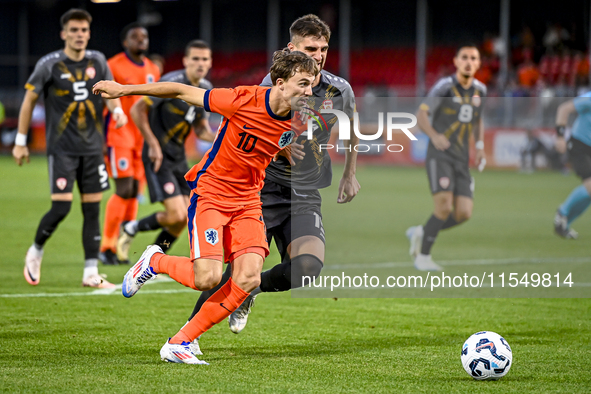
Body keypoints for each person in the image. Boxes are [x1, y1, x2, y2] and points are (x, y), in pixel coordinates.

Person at [93, 49, 318, 364]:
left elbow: (271, 142)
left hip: (250, 201)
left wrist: (286, 152)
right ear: (280, 83)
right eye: (303, 83)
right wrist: (123, 90)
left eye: (312, 84)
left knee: (249, 277)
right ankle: (154, 261)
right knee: (207, 278)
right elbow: (180, 91)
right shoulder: (241, 99)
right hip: (212, 193)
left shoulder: (300, 118)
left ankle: (180, 342)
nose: (309, 91)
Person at [188, 14, 360, 346]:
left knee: (307, 267)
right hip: (263, 189)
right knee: (233, 270)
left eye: (324, 48)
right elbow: (251, 129)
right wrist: (281, 150)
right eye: (311, 48)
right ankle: (186, 336)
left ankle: (253, 291)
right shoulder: (272, 85)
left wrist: (349, 175)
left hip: (306, 191)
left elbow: (350, 127)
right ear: (291, 48)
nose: (319, 54)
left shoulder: (340, 89)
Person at [13, 8, 127, 288]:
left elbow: (111, 93)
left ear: (89, 33)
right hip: (62, 149)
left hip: (92, 149)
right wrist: (20, 141)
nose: (79, 35)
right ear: (63, 34)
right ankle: (36, 250)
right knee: (61, 207)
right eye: (74, 30)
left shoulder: (98, 60)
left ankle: (91, 273)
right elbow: (29, 100)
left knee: (92, 209)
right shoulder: (49, 64)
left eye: (84, 30)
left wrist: (117, 111)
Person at [117, 40, 215, 256]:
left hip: (179, 159)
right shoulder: (172, 82)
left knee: (187, 214)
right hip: (157, 156)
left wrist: (224, 138)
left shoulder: (206, 89)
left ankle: (154, 258)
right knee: (176, 215)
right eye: (195, 59)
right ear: (185, 61)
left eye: (204, 59)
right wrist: (152, 144)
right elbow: (137, 109)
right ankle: (131, 227)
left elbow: (201, 130)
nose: (200, 63)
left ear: (210, 63)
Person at [406, 44, 487, 271]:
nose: (469, 61)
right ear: (456, 61)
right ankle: (422, 258)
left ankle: (422, 232)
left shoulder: (481, 89)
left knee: (463, 213)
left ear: (479, 63)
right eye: (464, 57)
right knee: (443, 207)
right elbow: (421, 115)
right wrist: (434, 135)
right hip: (439, 156)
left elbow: (478, 119)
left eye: (474, 58)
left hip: (462, 159)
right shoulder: (444, 87)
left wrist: (479, 146)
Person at [99, 22, 161, 265]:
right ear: (125, 42)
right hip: (119, 134)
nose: (141, 40)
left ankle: (121, 246)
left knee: (134, 192)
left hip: (141, 138)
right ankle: (106, 246)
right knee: (124, 189)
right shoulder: (113, 65)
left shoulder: (153, 69)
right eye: (135, 37)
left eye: (144, 36)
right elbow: (103, 99)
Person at [553, 94, 591, 238]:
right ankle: (562, 213)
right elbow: (564, 109)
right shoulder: (589, 98)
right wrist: (560, 136)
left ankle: (564, 223)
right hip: (579, 146)